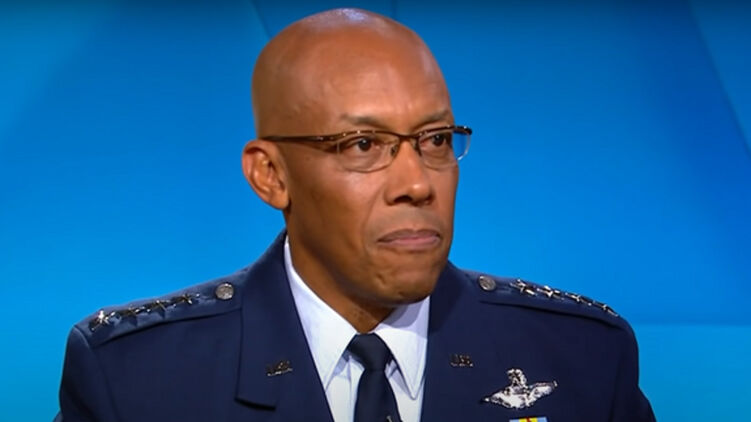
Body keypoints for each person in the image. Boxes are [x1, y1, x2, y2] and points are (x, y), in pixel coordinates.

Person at [54, 8, 655, 422]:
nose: (417, 183)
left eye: (435, 140)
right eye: (363, 145)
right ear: (271, 175)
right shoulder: (136, 381)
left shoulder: (582, 359)